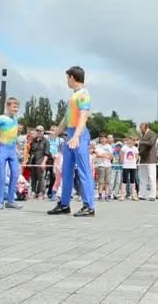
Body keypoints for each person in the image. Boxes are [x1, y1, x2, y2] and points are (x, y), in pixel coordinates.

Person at [47, 66, 96, 217]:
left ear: (73, 78)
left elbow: (83, 116)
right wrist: (57, 132)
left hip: (79, 135)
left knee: (84, 171)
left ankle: (89, 206)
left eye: (67, 78)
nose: (67, 81)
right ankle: (64, 204)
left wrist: (76, 136)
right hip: (70, 134)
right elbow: (67, 117)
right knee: (66, 170)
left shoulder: (83, 94)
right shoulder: (73, 96)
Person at [29, 125, 49, 200]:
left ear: (43, 132)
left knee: (41, 177)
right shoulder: (33, 141)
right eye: (37, 130)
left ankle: (41, 192)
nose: (39, 132)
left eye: (40, 130)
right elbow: (31, 151)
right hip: (33, 161)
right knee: (33, 177)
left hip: (41, 161)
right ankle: (33, 191)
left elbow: (46, 153)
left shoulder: (46, 141)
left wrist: (44, 162)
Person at [138, 123, 158, 201]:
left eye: (141, 128)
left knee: (152, 177)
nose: (140, 130)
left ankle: (152, 195)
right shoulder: (142, 135)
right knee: (142, 177)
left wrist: (141, 142)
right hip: (143, 158)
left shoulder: (152, 133)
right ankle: (142, 194)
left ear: (146, 127)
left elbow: (151, 143)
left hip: (151, 158)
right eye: (140, 128)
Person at [119, 137, 139, 201]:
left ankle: (133, 194)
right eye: (129, 141)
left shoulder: (135, 148)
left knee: (132, 180)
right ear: (127, 141)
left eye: (132, 141)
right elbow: (121, 154)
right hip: (125, 166)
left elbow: (137, 156)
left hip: (133, 166)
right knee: (124, 180)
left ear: (134, 142)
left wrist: (134, 161)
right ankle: (123, 195)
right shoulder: (124, 147)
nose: (130, 142)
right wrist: (122, 161)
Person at [95, 135, 113, 201]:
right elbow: (98, 155)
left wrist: (103, 155)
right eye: (101, 139)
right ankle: (100, 195)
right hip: (101, 165)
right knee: (101, 181)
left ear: (106, 139)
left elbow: (111, 156)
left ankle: (107, 195)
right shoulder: (98, 146)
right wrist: (105, 155)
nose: (102, 140)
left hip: (108, 165)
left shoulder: (109, 146)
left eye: (104, 138)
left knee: (107, 181)